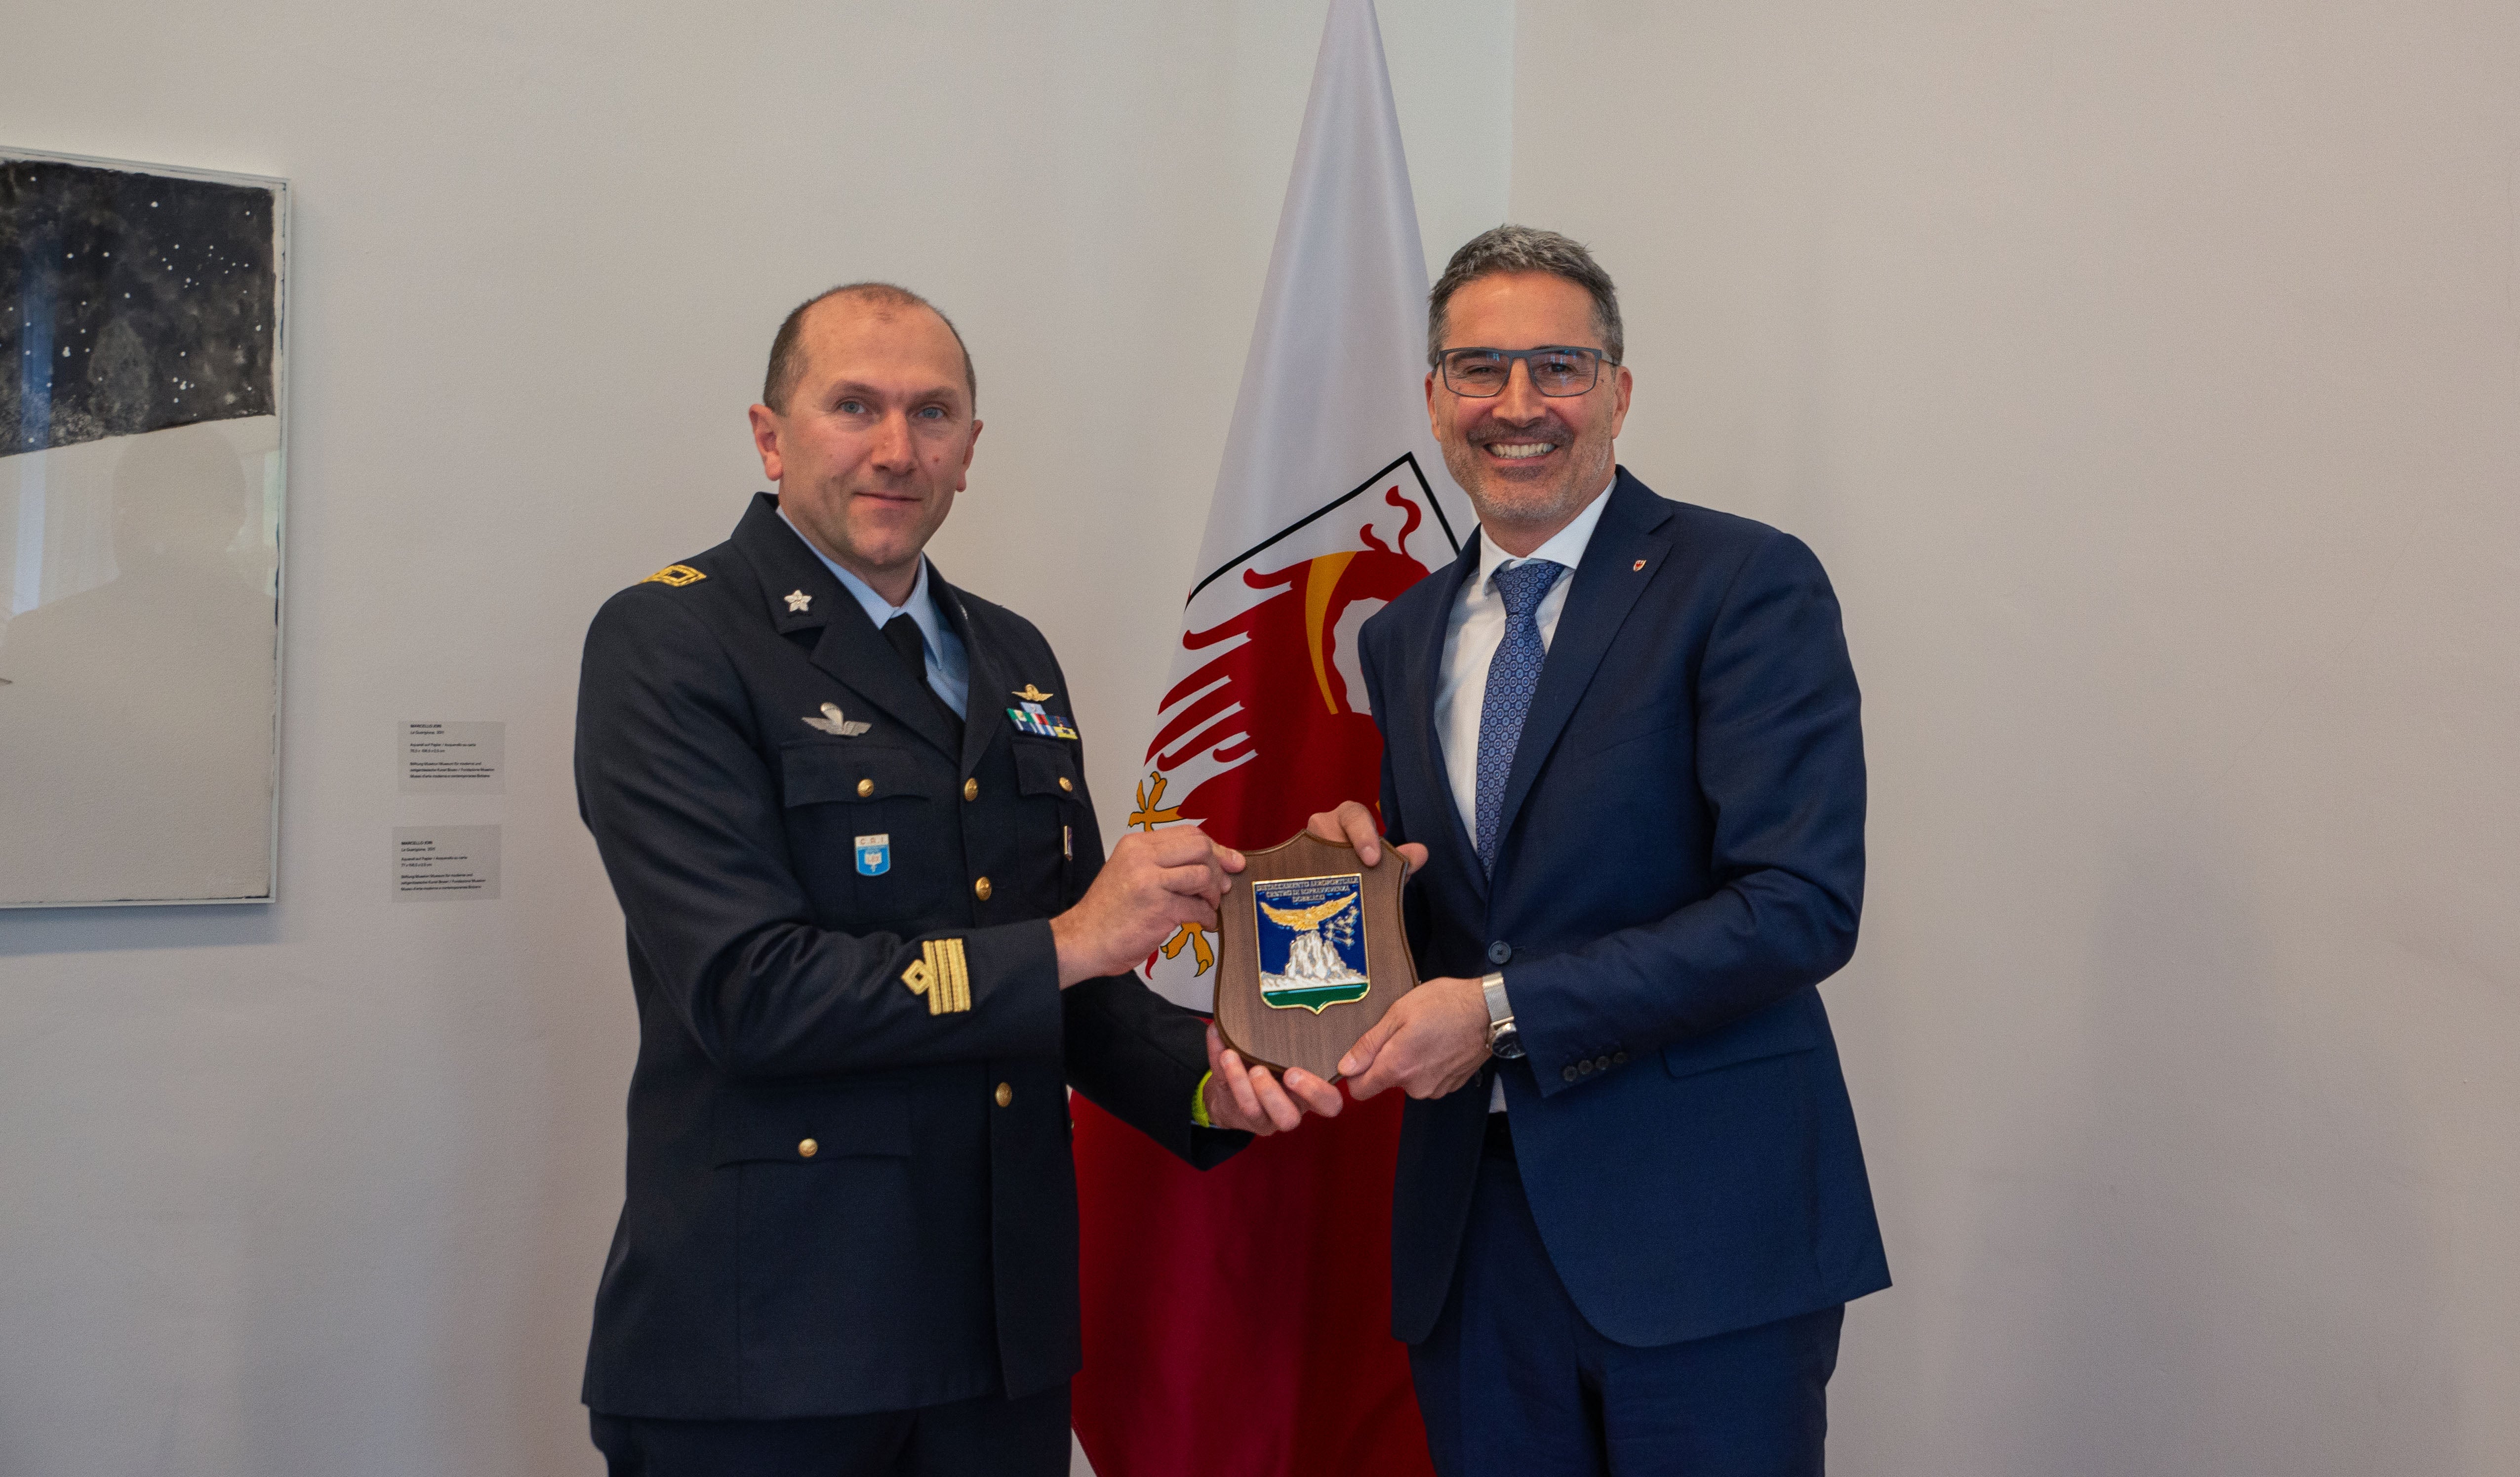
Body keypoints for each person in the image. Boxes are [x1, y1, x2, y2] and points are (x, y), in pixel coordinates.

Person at [574, 283, 1340, 1477]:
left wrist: (1219, 1079)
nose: (897, 448)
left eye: (933, 413)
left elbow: (1075, 984)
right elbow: (753, 993)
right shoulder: (673, 640)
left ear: (970, 449)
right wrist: (1076, 942)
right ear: (771, 436)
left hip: (995, 1336)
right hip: (773, 1341)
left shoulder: (1011, 653)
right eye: (854, 407)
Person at [1310, 227, 1888, 1476]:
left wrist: (1501, 1013)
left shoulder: (1745, 582)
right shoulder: (1403, 633)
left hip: (1704, 1235)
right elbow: (1471, 915)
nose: (1518, 405)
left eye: (1558, 367)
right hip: (1474, 1245)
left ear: (1618, 392)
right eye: (1480, 370)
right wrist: (1352, 886)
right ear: (1435, 401)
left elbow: (1798, 903)